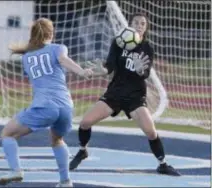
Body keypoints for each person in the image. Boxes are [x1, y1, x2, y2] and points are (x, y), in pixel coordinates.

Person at [69, 13, 181, 176]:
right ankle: (82, 150)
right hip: (115, 93)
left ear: (146, 28)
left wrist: (139, 68)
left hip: (135, 96)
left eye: (143, 23)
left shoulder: (147, 48)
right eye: (136, 22)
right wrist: (100, 71)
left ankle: (162, 164)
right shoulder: (118, 42)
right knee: (85, 123)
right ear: (130, 25)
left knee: (151, 132)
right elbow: (110, 67)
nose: (139, 26)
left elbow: (144, 74)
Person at [0, 17, 93, 187]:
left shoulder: (26, 57)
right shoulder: (59, 48)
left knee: (7, 134)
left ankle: (16, 170)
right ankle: (65, 181)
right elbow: (63, 60)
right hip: (66, 107)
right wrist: (82, 72)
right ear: (51, 33)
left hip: (45, 106)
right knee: (57, 140)